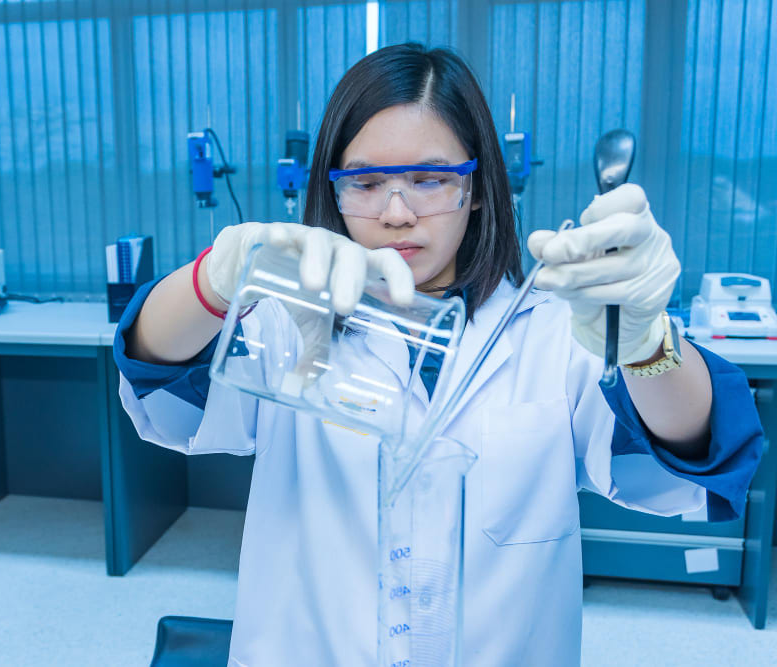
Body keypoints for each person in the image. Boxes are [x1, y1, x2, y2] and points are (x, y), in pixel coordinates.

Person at [113, 44, 763, 666]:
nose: (398, 213)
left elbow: (694, 456)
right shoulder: (289, 317)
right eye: (365, 181)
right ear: (332, 189)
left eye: (430, 179)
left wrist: (648, 344)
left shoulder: (552, 331)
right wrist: (215, 281)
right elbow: (156, 378)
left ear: (477, 188)